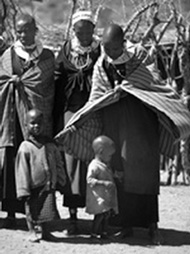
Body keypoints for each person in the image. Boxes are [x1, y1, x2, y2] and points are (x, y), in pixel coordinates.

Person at [55, 23, 190, 245]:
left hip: (141, 126)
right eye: (106, 50)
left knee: (145, 174)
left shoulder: (140, 56)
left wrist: (128, 87)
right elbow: (96, 98)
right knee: (119, 173)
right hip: (114, 125)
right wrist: (80, 120)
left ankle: (152, 226)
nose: (110, 54)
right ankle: (125, 226)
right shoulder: (101, 64)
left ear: (123, 43)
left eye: (115, 49)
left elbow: (152, 83)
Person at [0, 13, 55, 228]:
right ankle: (11, 214)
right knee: (12, 162)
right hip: (12, 117)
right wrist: (13, 83)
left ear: (36, 31)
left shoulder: (47, 57)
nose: (23, 35)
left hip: (36, 120)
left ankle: (39, 214)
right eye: (19, 30)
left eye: (27, 30)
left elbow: (48, 88)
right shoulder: (7, 56)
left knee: (37, 166)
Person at [53, 8, 101, 235]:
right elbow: (56, 81)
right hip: (70, 114)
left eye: (87, 31)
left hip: (95, 114)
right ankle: (72, 218)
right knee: (71, 165)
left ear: (94, 29)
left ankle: (98, 218)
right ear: (73, 30)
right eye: (79, 31)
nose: (83, 35)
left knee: (96, 164)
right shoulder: (64, 51)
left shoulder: (101, 51)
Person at [15, 109, 66, 242]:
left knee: (46, 210)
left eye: (39, 123)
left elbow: (58, 162)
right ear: (26, 125)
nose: (36, 126)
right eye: (32, 123)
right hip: (33, 185)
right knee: (31, 209)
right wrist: (23, 189)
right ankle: (32, 231)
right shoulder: (25, 147)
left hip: (48, 183)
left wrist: (61, 178)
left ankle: (46, 232)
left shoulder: (50, 144)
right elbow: (22, 169)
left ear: (45, 125)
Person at [86, 135, 118, 239]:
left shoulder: (104, 164)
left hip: (106, 196)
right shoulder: (94, 165)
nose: (110, 158)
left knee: (106, 215)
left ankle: (104, 233)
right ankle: (94, 233)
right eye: (109, 155)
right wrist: (103, 183)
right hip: (98, 197)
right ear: (101, 152)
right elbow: (89, 180)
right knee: (99, 216)